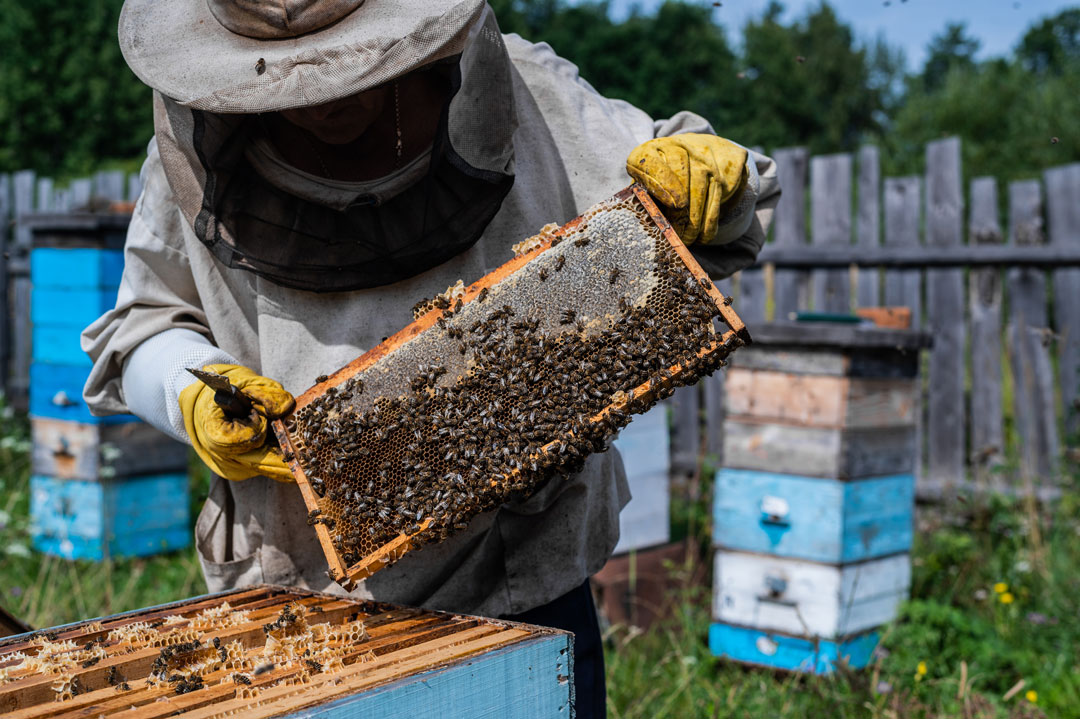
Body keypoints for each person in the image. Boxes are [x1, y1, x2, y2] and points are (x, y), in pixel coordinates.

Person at [82, 1, 780, 714]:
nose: (322, 100)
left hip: (526, 586)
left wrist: (711, 189)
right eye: (291, 82)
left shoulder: (527, 90)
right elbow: (138, 325)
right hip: (302, 604)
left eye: (347, 63)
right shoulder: (194, 148)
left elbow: (699, 207)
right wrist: (187, 391)